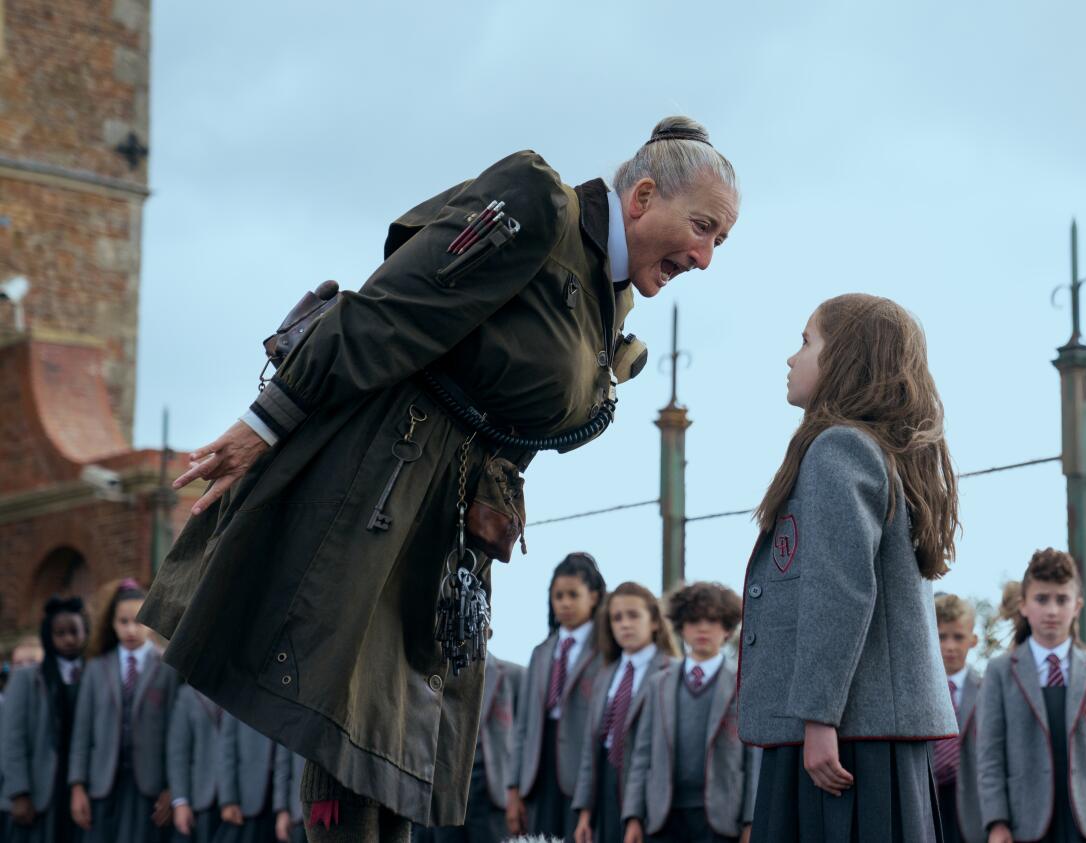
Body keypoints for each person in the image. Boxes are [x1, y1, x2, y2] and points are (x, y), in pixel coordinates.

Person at [139, 115, 738, 843]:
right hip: (381, 490)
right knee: (349, 729)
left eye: (720, 241)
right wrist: (266, 421)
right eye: (703, 227)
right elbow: (390, 308)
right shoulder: (540, 203)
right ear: (642, 196)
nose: (707, 257)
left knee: (398, 753)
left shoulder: (609, 296)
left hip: (451, 523)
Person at [738, 294, 961, 842]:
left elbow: (840, 591)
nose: (792, 358)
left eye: (807, 342)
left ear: (847, 360)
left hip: (841, 737)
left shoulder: (840, 448)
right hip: (865, 734)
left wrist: (819, 720)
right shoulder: (882, 451)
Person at [976, 549, 1086, 843]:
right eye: (1042, 599)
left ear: (1077, 606)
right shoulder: (999, 673)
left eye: (1062, 600)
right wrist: (997, 822)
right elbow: (990, 756)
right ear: (1023, 605)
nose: (1052, 610)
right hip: (1025, 823)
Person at [623, 581, 758, 843]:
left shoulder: (742, 683)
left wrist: (750, 820)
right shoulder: (658, 684)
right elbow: (642, 754)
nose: (703, 627)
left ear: (728, 628)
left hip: (722, 817)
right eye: (694, 619)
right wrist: (633, 816)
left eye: (713, 620)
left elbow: (753, 759)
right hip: (664, 815)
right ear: (681, 626)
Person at [68, 579, 178, 843]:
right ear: (112, 624)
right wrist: (78, 786)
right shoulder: (96, 669)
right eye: (123, 622)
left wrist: (172, 788)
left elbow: (175, 733)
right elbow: (82, 732)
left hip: (148, 785)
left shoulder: (167, 669)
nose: (130, 629)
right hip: (103, 784)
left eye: (138, 621)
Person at [509, 554, 607, 841]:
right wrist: (513, 788)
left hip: (584, 775)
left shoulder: (605, 651)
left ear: (594, 597)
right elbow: (522, 727)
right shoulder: (541, 652)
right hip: (539, 771)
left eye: (573, 595)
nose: (564, 603)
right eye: (558, 596)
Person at [572, 582, 678, 843]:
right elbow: (590, 749)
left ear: (654, 622)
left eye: (633, 615)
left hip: (650, 792)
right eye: (617, 618)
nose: (624, 624)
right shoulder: (605, 674)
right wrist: (585, 813)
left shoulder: (672, 672)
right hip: (607, 786)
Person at [2, 597, 89, 843]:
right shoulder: (27, 678)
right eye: (60, 633)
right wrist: (18, 792)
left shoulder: (93, 674)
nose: (69, 639)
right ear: (48, 635)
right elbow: (12, 738)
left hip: (78, 785)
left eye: (74, 631)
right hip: (40, 786)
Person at [413, 652, 524, 843]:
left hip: (493, 794)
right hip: (445, 791)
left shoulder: (515, 675)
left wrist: (517, 794)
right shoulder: (436, 672)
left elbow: (525, 737)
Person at [933, 593, 984, 843]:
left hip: (973, 804)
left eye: (958, 637)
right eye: (942, 637)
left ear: (973, 640)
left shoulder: (986, 690)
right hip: (930, 798)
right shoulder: (923, 692)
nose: (950, 646)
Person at [166, 685, 225, 843]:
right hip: (201, 797)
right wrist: (181, 801)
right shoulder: (187, 695)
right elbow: (178, 753)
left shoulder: (245, 691)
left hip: (244, 801)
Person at [217, 717, 286, 843]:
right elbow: (226, 753)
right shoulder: (238, 699)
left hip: (282, 798)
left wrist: (284, 806)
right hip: (247, 799)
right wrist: (228, 800)